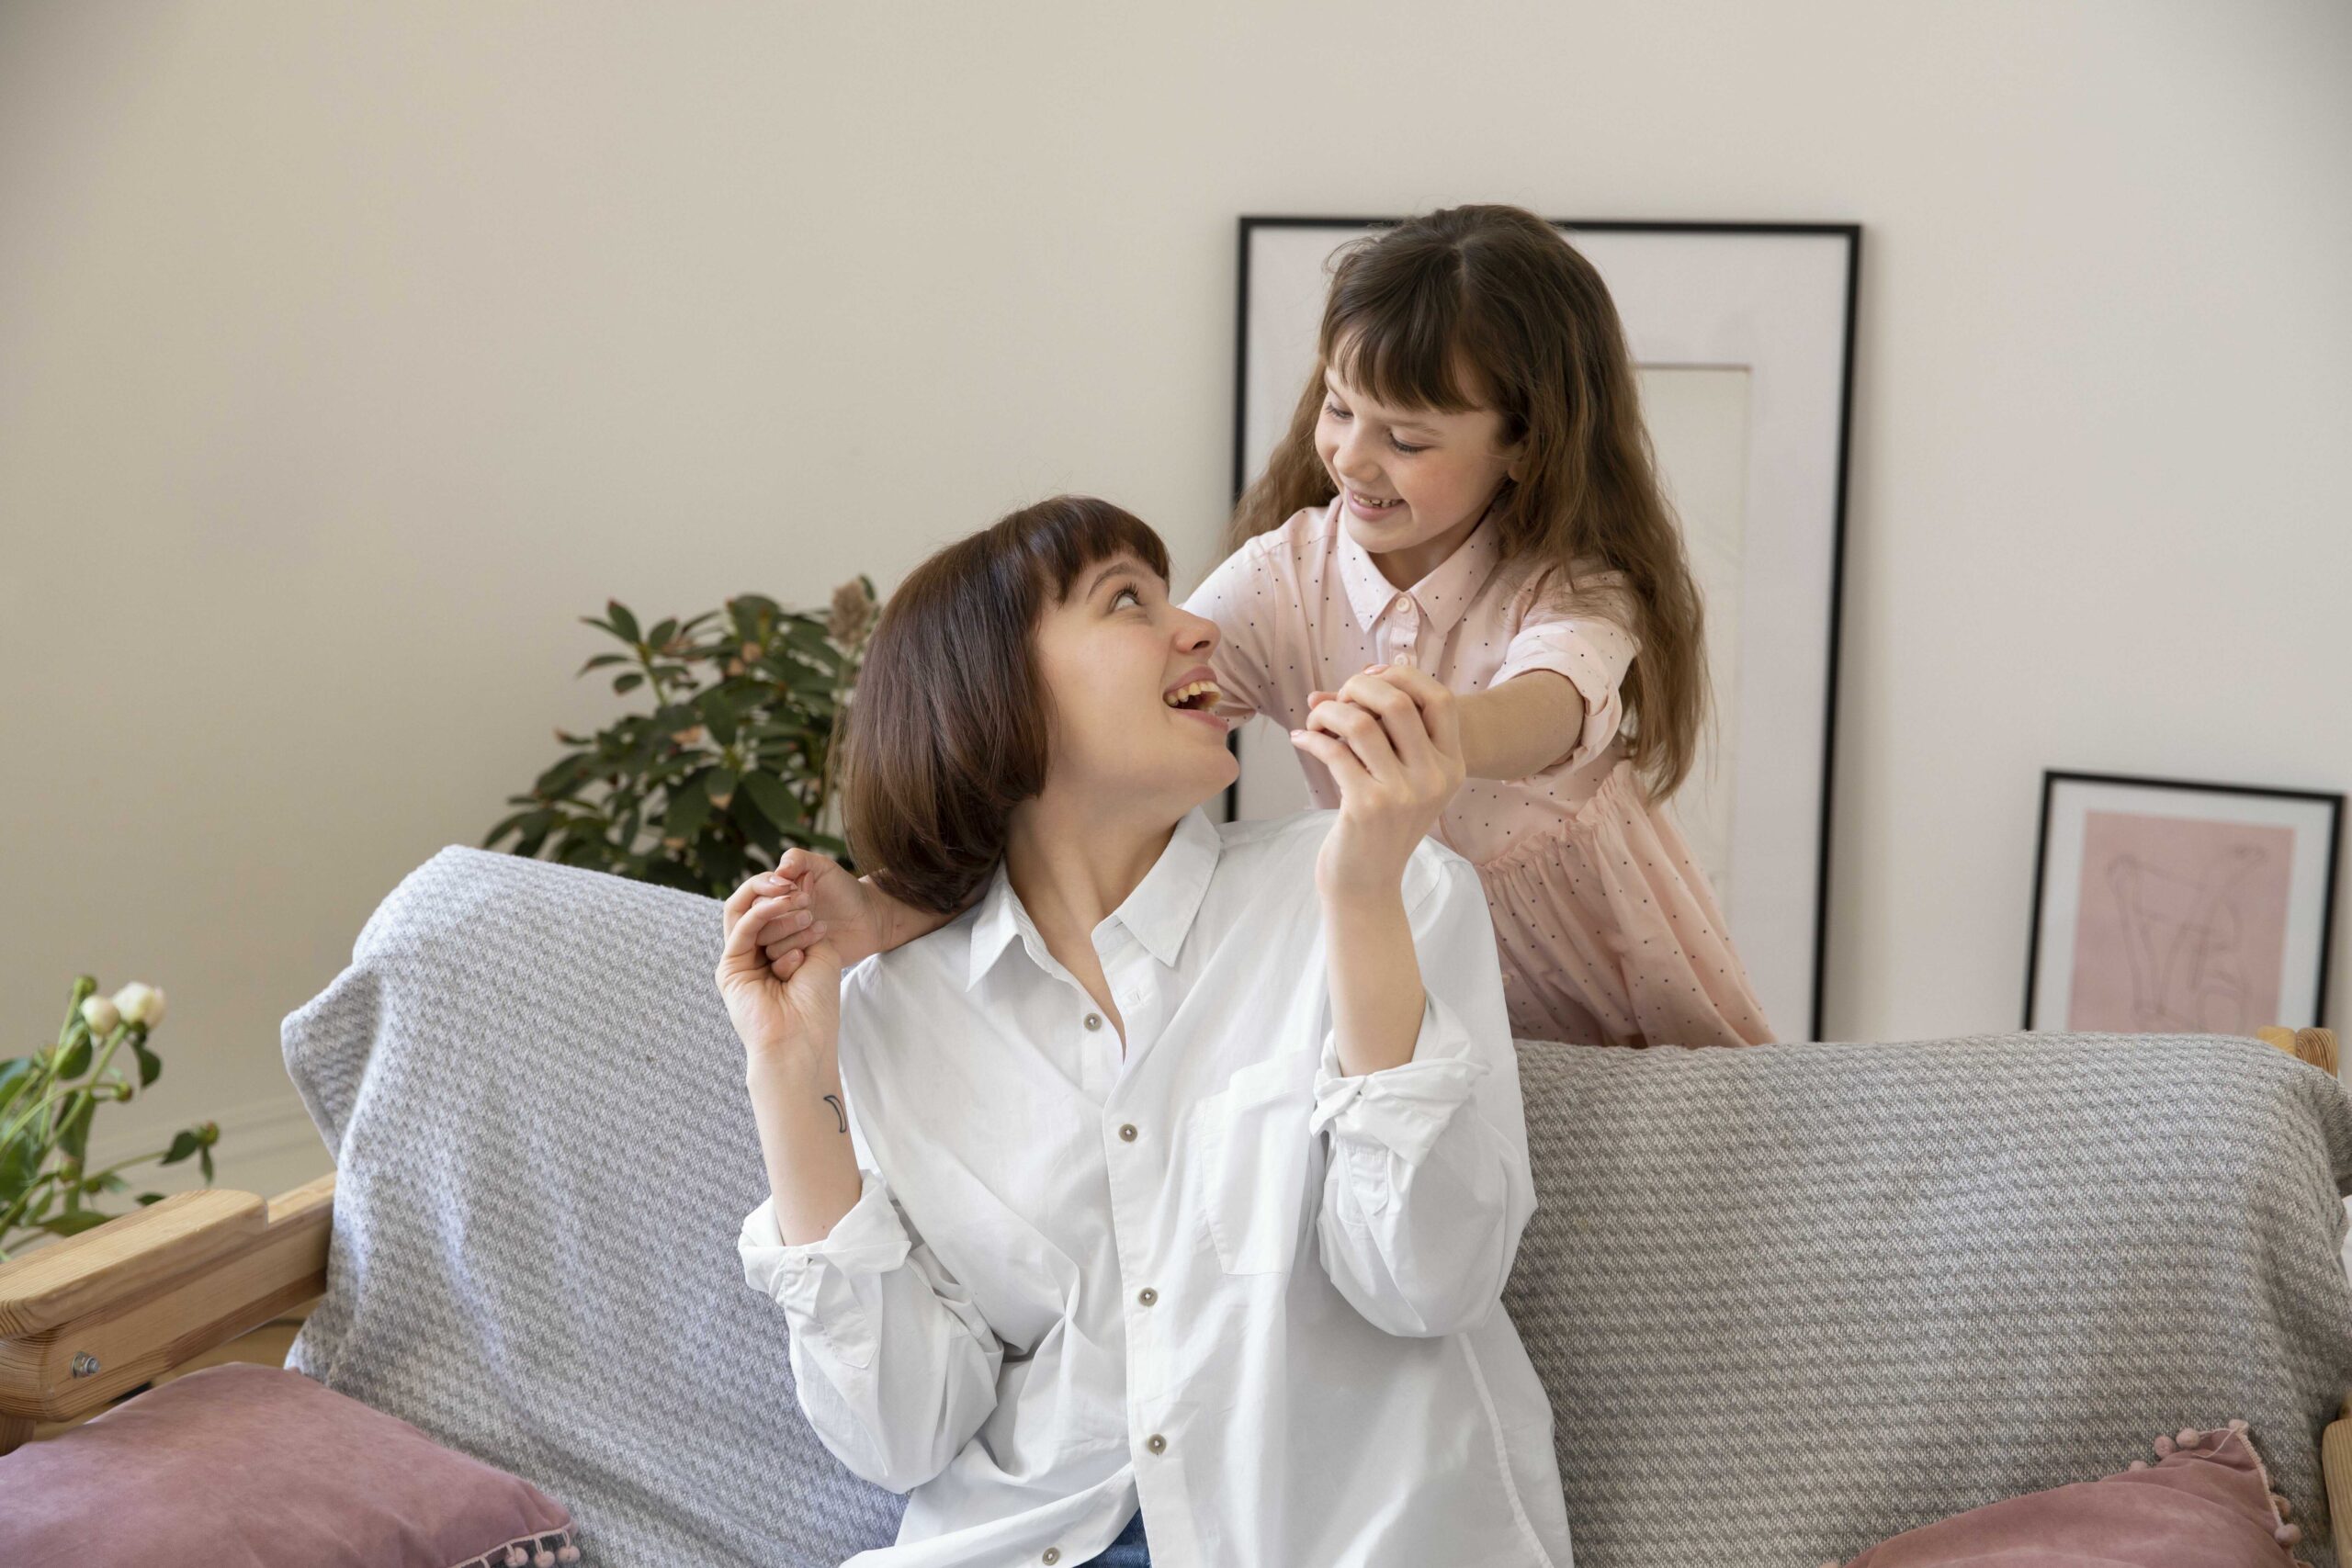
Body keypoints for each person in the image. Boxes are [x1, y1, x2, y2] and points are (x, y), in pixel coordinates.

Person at [718, 497, 1572, 1566]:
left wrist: (1359, 898)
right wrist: (790, 1071)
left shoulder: (1379, 890)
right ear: (997, 693)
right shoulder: (896, 1009)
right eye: (1127, 600)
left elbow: (1426, 1280)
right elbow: (898, 1435)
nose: (1200, 628)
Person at [765, 206, 1771, 1050]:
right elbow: (1090, 754)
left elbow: (1555, 704)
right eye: (1338, 410)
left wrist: (1438, 735)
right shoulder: (1285, 580)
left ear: (1526, 445)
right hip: (1408, 965)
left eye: (1407, 439)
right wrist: (890, 903)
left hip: (1606, 962)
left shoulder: (1574, 584)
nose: (1352, 458)